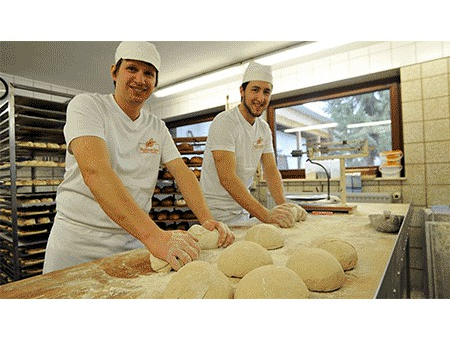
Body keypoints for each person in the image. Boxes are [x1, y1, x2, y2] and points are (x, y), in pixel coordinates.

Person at [43, 41, 234, 274]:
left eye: (149, 73)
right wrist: (155, 237)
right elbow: (96, 172)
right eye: (132, 69)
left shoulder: (157, 127)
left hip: (131, 240)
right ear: (114, 72)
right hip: (79, 241)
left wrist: (206, 219)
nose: (140, 79)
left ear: (155, 82)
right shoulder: (87, 106)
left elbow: (183, 173)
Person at [200, 61, 307, 227]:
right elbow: (227, 178)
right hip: (214, 213)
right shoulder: (224, 122)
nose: (261, 98)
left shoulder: (263, 129)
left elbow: (271, 170)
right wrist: (265, 215)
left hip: (242, 209)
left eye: (266, 92)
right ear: (242, 91)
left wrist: (283, 205)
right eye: (255, 90)